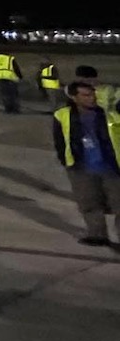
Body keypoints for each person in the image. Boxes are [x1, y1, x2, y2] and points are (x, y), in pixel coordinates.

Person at [51, 80, 120, 247]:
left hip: (111, 167)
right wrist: (66, 161)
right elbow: (59, 140)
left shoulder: (108, 113)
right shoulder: (62, 115)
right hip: (81, 168)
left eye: (93, 94)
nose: (92, 98)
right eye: (86, 95)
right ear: (74, 97)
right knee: (88, 204)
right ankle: (97, 235)